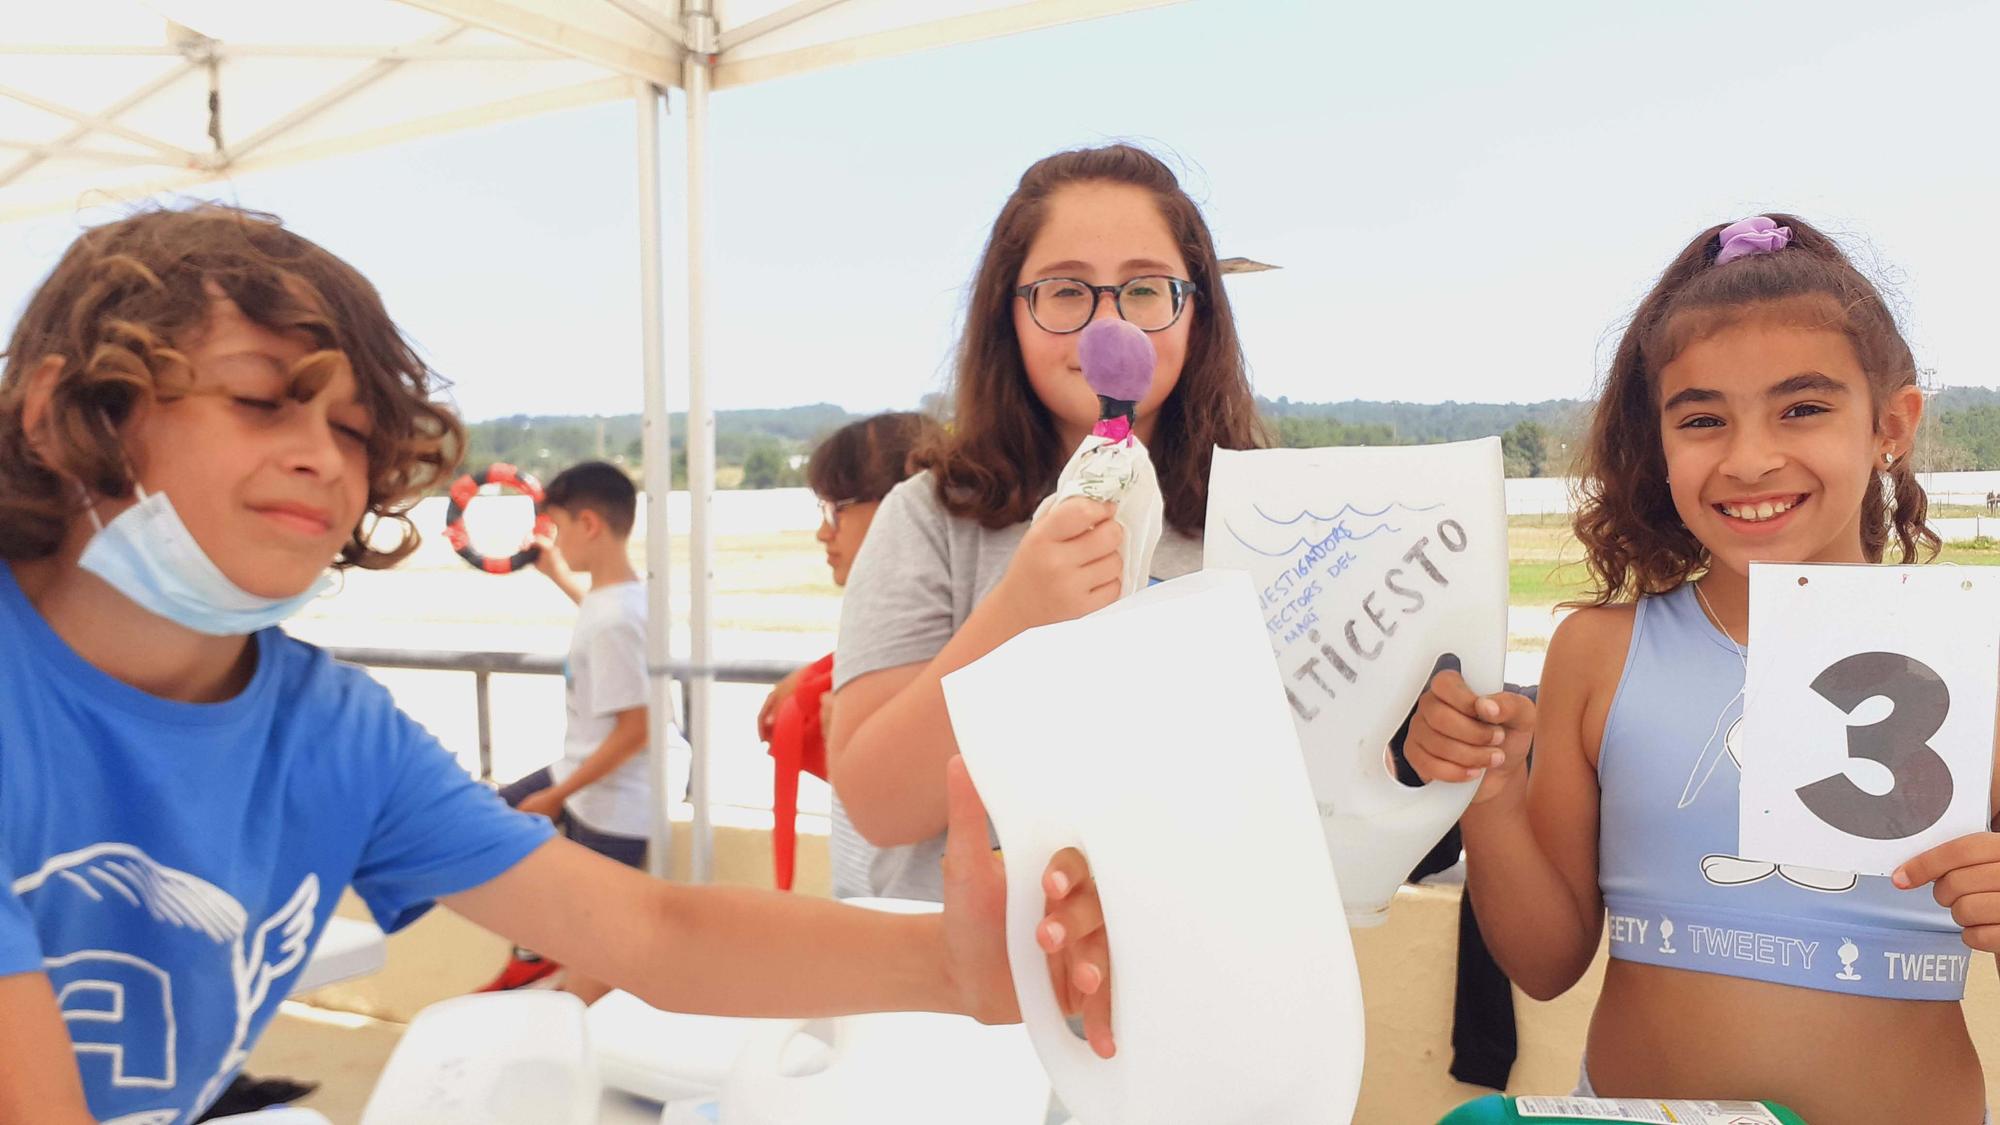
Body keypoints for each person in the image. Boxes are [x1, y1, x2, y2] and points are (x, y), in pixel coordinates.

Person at [0, 204, 1096, 1125]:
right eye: (258, 399)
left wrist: (958, 970)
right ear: (61, 415)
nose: (320, 457)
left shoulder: (334, 737)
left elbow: (651, 930)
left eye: (352, 427)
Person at [1404, 215, 1999, 1125]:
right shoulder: (1598, 654)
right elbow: (1545, 962)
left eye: (1803, 407)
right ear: (1660, 441)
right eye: (1703, 418)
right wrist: (1488, 794)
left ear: (1891, 424)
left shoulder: (1977, 659)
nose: (1750, 456)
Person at [825, 143, 1265, 1056]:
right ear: (1009, 313)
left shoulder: (1247, 518)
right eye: (1065, 289)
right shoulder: (933, 517)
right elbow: (874, 799)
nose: (1108, 320)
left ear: (1197, 311)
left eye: (1146, 288)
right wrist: (1017, 613)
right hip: (957, 1025)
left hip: (1177, 1005)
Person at [481, 460, 660, 1002]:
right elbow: (607, 640)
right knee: (483, 820)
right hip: (583, 774)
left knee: (597, 951)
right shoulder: (620, 599)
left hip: (615, 803)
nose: (552, 539)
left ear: (589, 525)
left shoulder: (616, 618)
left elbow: (638, 730)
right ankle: (533, 953)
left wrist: (557, 797)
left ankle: (566, 1011)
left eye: (557, 529)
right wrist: (560, 576)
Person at [753, 412, 940, 893]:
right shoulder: (872, 655)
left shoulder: (967, 658)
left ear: (909, 501)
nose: (823, 532)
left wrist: (862, 736)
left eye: (836, 509)